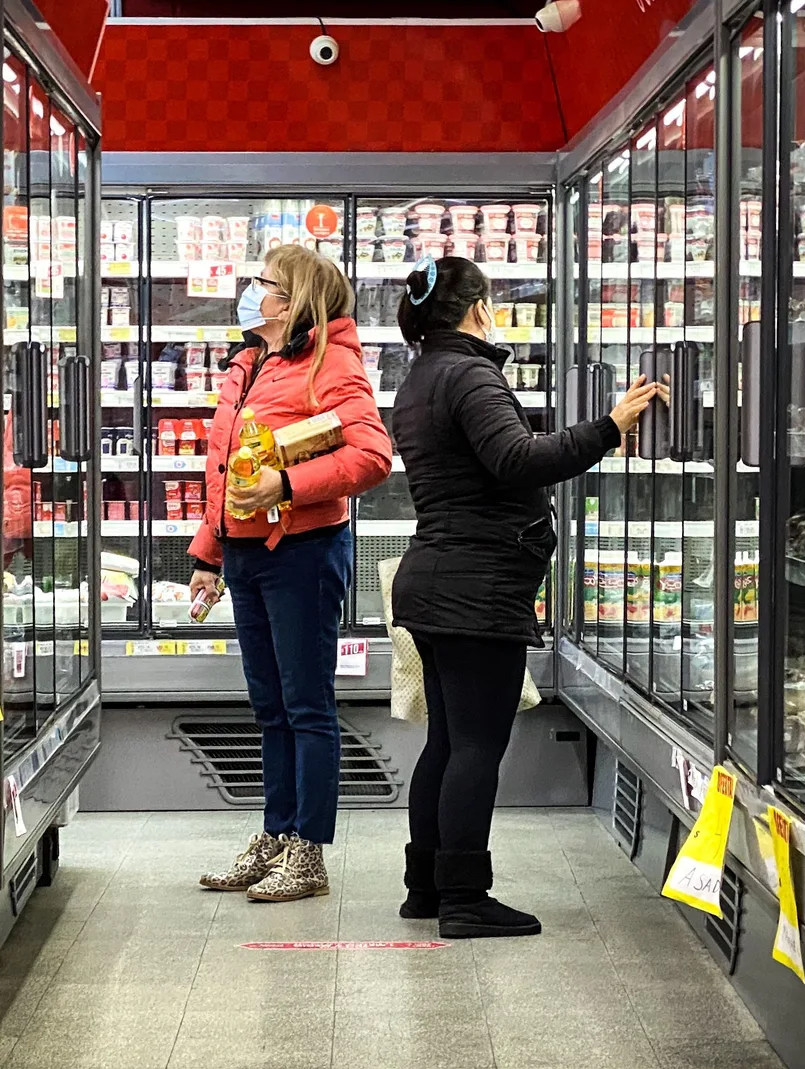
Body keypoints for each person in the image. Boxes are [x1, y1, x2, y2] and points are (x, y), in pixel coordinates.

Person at [387, 256, 662, 937]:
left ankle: (426, 886)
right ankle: (465, 898)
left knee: (447, 742)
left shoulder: (419, 376)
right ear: (478, 309)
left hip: (435, 579)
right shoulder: (471, 372)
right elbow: (517, 458)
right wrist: (609, 426)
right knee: (478, 743)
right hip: (477, 586)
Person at [190, 245, 392, 902]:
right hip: (245, 554)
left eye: (263, 283)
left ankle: (308, 849)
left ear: (294, 301)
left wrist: (289, 482)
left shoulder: (331, 364)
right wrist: (208, 555)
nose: (251, 292)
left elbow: (371, 455)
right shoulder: (249, 363)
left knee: (307, 706)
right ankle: (276, 834)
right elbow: (224, 468)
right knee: (270, 706)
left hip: (303, 552)